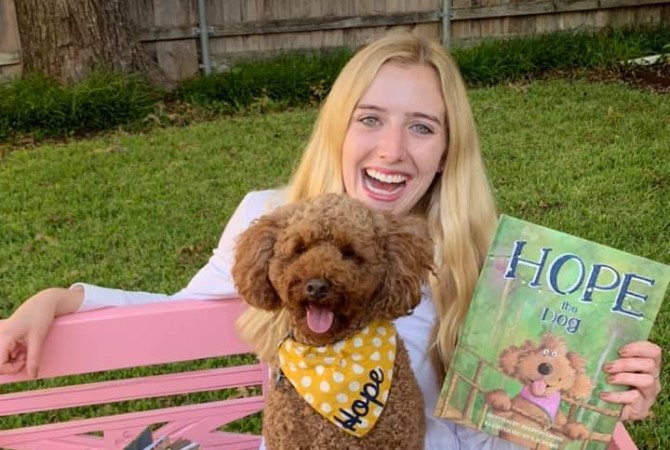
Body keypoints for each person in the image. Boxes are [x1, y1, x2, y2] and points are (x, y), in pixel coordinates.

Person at [0, 32, 661, 449]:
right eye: (370, 119)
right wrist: (62, 297)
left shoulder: (481, 251)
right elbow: (181, 311)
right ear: (338, 127)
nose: (392, 150)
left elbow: (510, 421)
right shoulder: (271, 221)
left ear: (448, 147)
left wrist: (608, 393)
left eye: (422, 127)